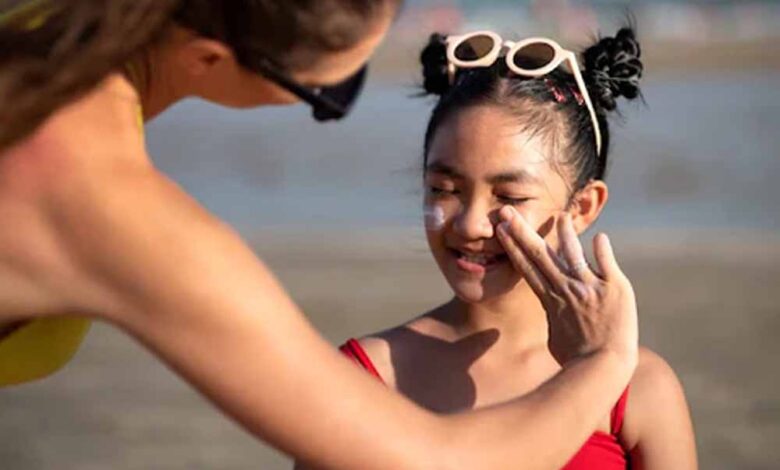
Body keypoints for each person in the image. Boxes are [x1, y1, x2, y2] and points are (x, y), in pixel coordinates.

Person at [0, 1, 639, 468]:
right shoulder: (105, 206)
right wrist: (603, 363)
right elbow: (431, 460)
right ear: (208, 56)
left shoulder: (33, 29)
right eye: (329, 95)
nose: (471, 221)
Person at [295, 26, 697, 469]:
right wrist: (602, 364)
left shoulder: (639, 387)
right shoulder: (362, 379)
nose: (470, 223)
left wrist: (605, 363)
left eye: (509, 196)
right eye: (444, 189)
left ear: (583, 207)